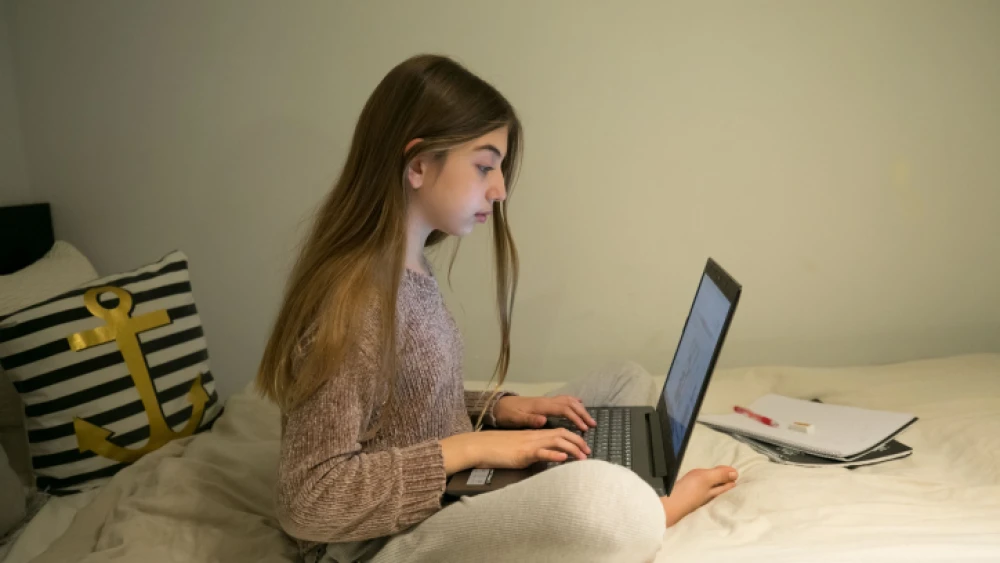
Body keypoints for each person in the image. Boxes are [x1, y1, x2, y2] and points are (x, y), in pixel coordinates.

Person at [256, 54, 738, 563]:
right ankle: (646, 508)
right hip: (380, 541)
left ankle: (623, 475)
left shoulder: (408, 263)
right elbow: (307, 502)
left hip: (447, 478)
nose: (500, 189)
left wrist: (495, 408)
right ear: (418, 164)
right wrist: (473, 449)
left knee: (624, 382)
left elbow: (397, 401)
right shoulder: (354, 305)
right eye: (485, 165)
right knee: (605, 504)